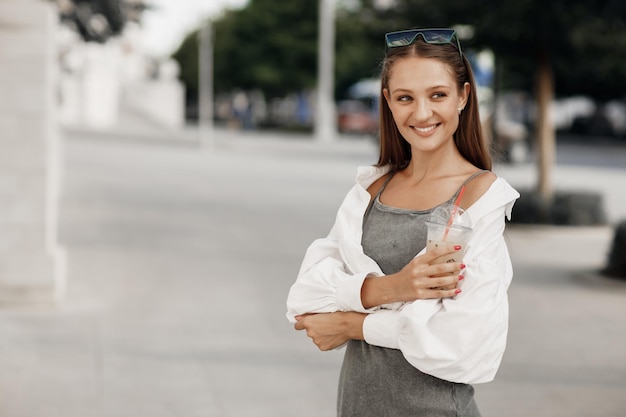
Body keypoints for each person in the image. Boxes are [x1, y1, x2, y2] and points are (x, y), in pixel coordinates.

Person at [286, 28, 520, 416]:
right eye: (405, 98)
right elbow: (305, 299)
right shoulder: (370, 189)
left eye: (438, 95)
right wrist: (393, 288)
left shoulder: (482, 198)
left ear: (463, 96)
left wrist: (352, 325)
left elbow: (466, 346)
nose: (422, 113)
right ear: (388, 102)